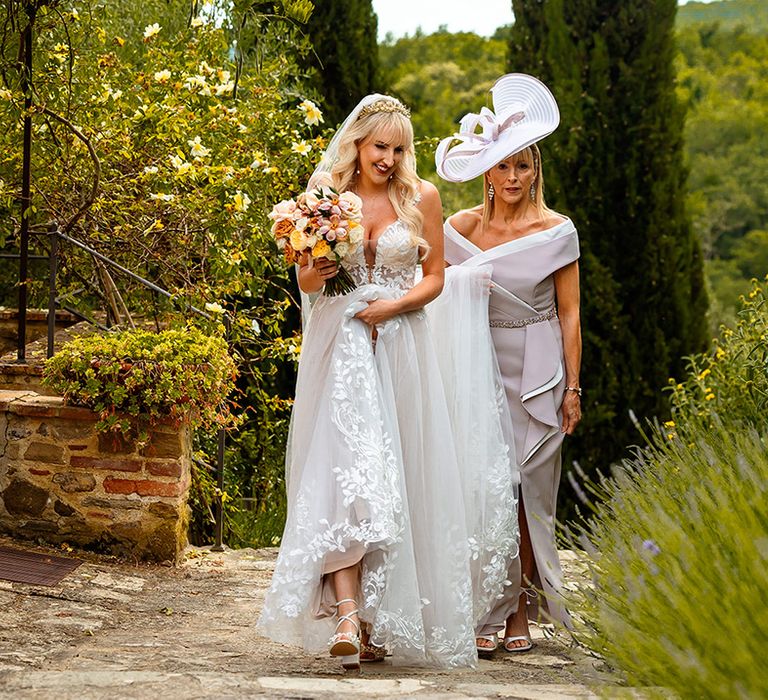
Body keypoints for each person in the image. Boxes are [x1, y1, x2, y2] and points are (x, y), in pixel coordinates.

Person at [257, 94, 518, 670]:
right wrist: (317, 268)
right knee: (341, 476)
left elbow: (434, 280)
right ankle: (348, 615)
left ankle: (376, 620)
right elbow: (304, 281)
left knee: (398, 479)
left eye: (399, 149)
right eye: (381, 147)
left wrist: (391, 308)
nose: (389, 158)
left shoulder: (421, 197)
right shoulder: (324, 196)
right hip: (340, 351)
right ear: (358, 143)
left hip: (401, 350)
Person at [435, 74, 582, 654]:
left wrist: (573, 387)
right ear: (486, 173)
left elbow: (570, 315)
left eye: (523, 167)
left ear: (535, 170)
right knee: (486, 489)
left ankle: (521, 606)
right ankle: (483, 604)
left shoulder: (557, 230)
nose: (514, 178)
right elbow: (432, 292)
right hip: (478, 368)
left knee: (526, 492)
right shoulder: (458, 230)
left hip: (539, 372)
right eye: (503, 168)